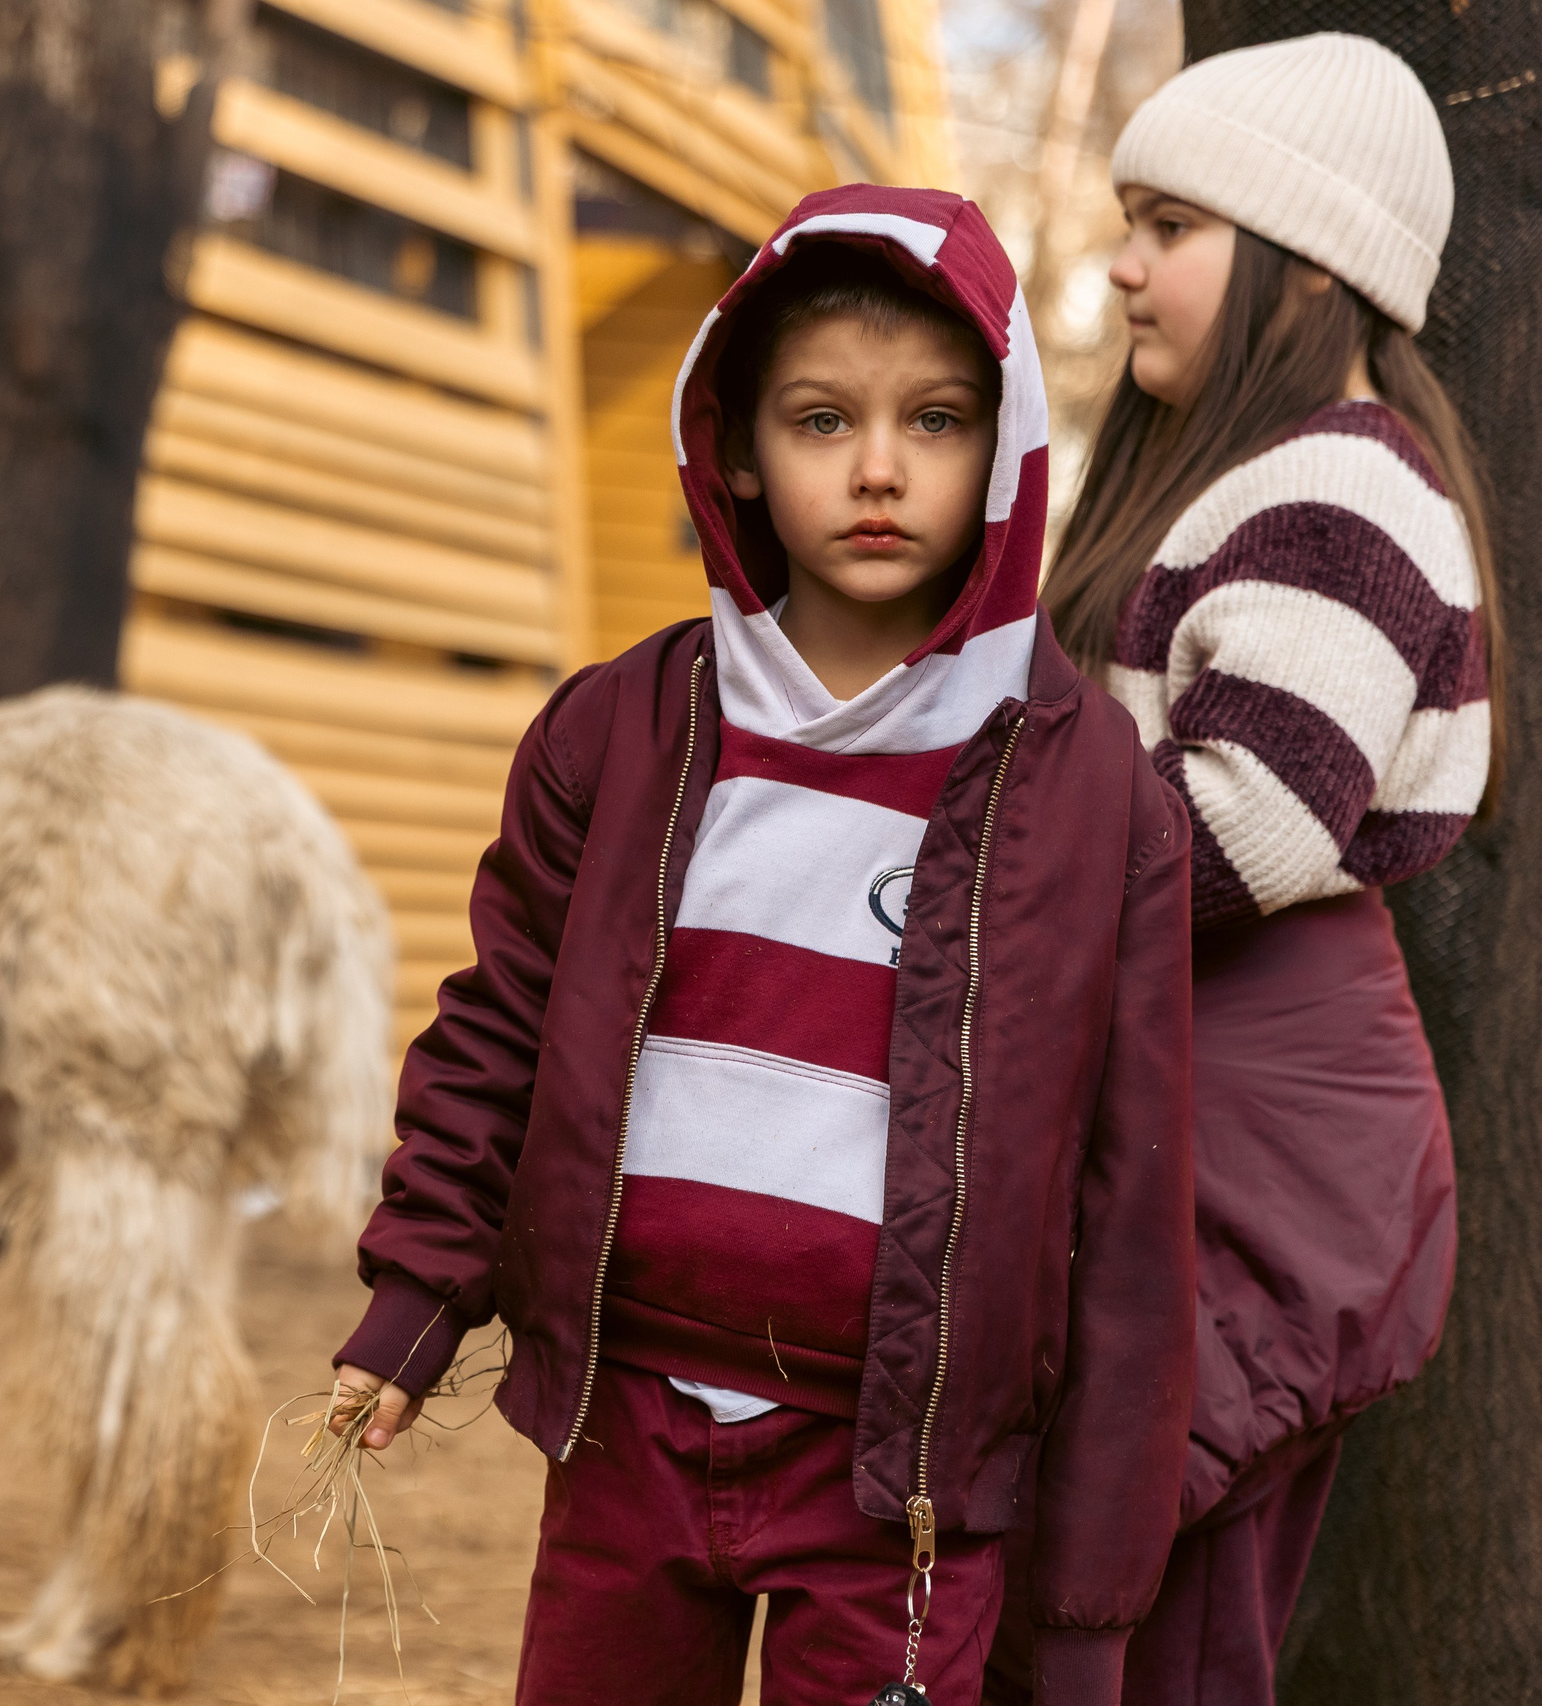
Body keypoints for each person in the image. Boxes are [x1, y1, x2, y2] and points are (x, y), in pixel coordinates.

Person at [325, 183, 1197, 1706]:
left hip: (901, 1486)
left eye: (934, 421)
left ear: (1007, 453)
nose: (878, 469)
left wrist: (1091, 1600)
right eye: (819, 420)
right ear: (731, 441)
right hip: (629, 1426)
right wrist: (416, 1295)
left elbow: (1129, 1208)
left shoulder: (1091, 793)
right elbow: (499, 1030)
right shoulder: (626, 731)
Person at [991, 33, 1493, 1706]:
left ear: (1303, 255)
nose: (1122, 264)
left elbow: (1243, 826)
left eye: (1169, 225)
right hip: (1191, 1097)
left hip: (1258, 1122)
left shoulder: (1340, 483)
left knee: (1169, 1631)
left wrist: (973, 862)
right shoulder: (1237, 479)